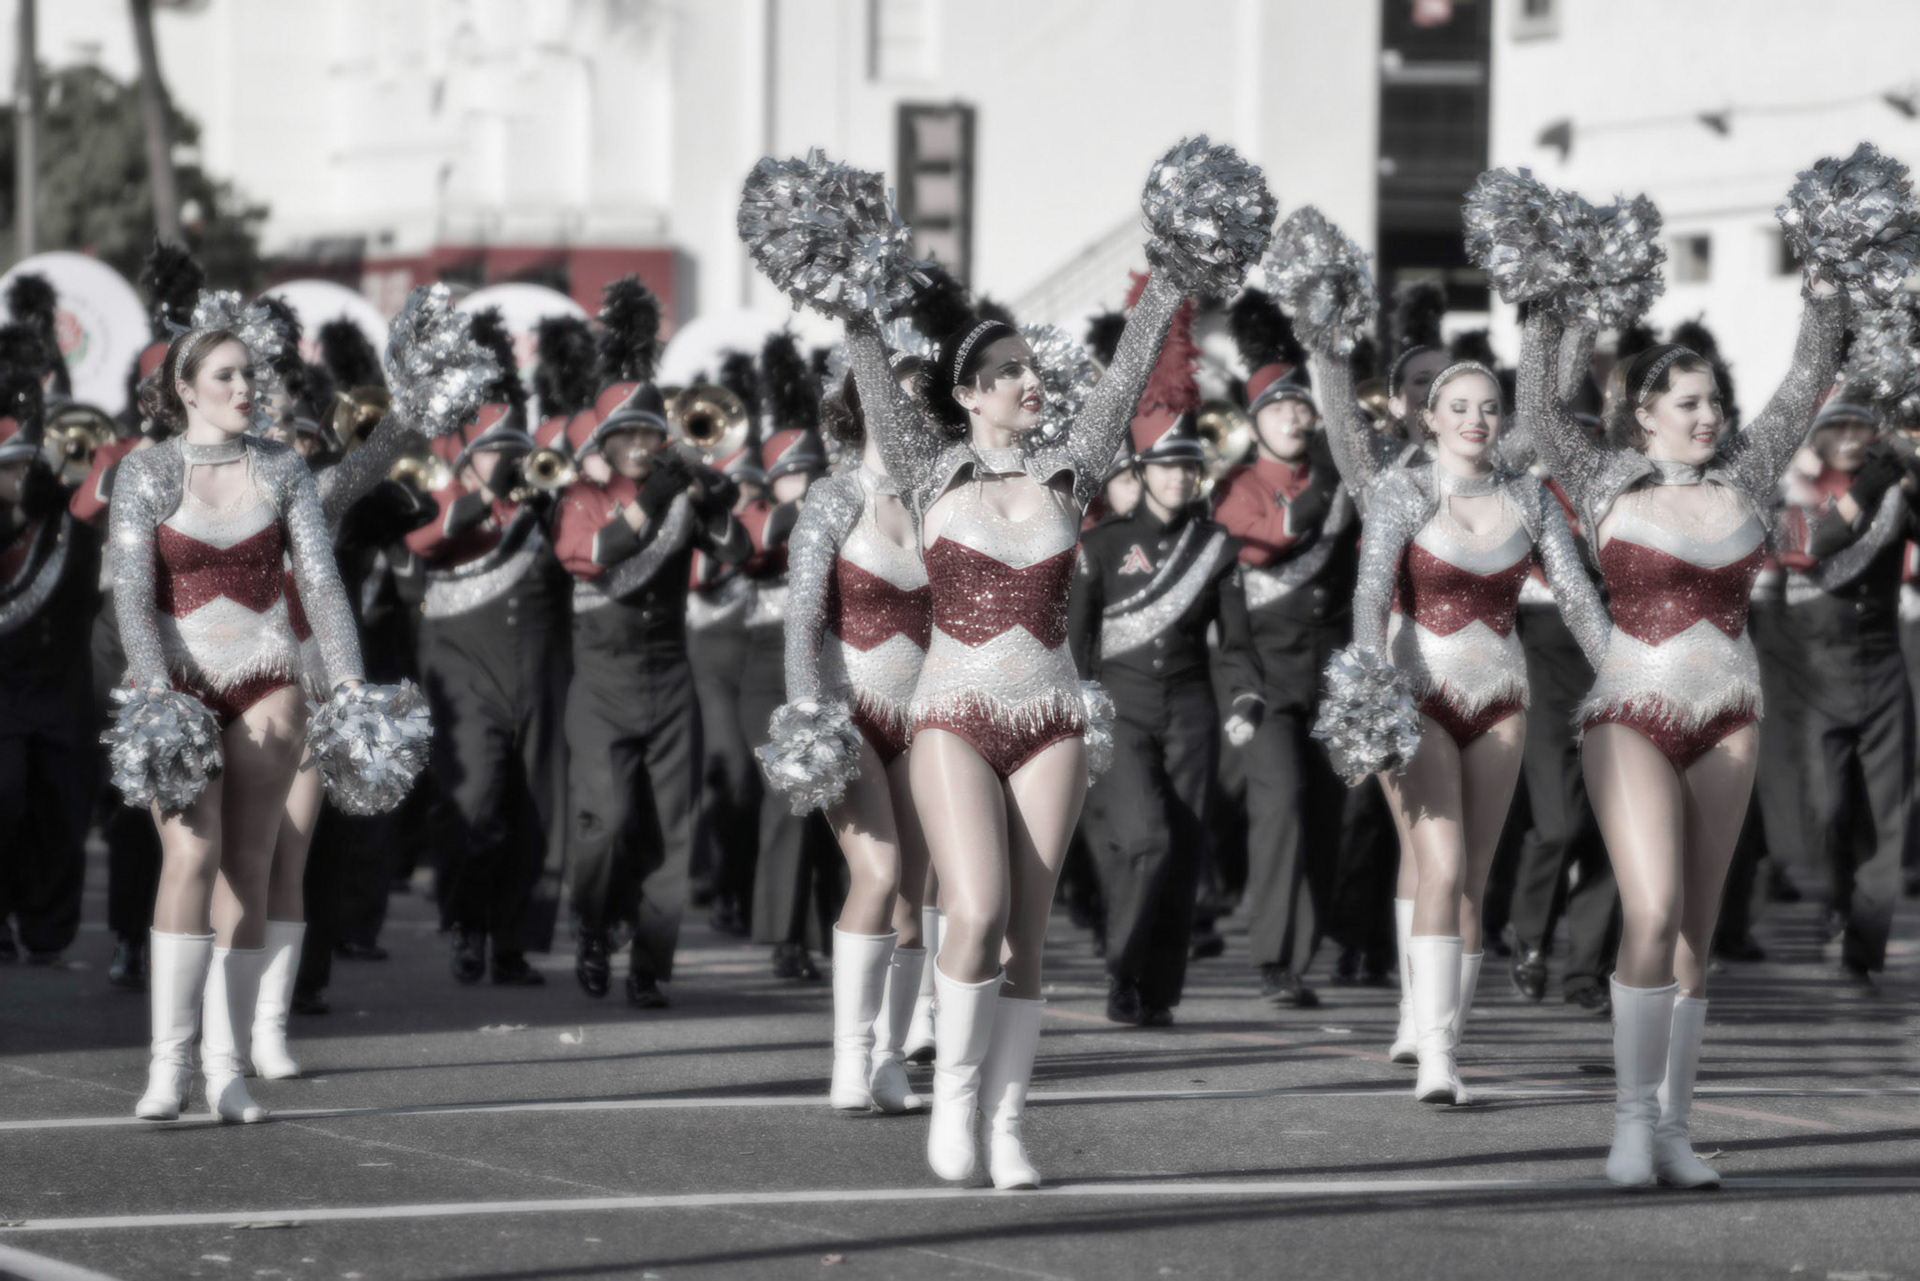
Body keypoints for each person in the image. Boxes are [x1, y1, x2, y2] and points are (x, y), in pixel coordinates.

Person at [814, 141, 1269, 1189]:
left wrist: (1176, 268)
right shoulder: (929, 472)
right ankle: (956, 1104)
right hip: (951, 715)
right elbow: (874, 362)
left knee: (1027, 931)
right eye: (1009, 371)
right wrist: (845, 286)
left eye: (1031, 369)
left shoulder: (1074, 465)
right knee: (967, 908)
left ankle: (1007, 1126)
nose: (1030, 381)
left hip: (1053, 717)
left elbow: (1132, 356)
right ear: (969, 393)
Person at [1520, 214, 1848, 1185]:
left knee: (1699, 933)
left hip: (1731, 713)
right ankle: (1628, 1125)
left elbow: (1804, 381)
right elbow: (1539, 408)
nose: (1710, 417)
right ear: (1647, 410)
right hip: (1631, 708)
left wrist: (1830, 281)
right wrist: (1544, 299)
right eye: (1691, 402)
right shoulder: (1604, 476)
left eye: (1714, 402)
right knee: (1651, 908)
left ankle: (1674, 1127)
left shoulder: (1747, 476)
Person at [111, 306, 369, 1123]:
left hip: (267, 677)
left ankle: (226, 1070)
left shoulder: (283, 466)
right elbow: (128, 592)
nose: (244, 387)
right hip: (177, 688)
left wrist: (353, 684)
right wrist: (155, 689)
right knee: (190, 854)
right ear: (184, 390)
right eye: (225, 375)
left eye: (250, 373)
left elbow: (321, 583)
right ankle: (168, 1065)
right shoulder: (145, 471)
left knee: (249, 863)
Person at [766, 358, 936, 1112]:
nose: (909, 413)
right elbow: (802, 616)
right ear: (859, 406)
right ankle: (850, 1055)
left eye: (919, 402)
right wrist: (808, 715)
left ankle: (891, 1059)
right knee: (877, 871)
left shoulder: (942, 503)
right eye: (894, 399)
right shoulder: (833, 497)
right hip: (849, 711)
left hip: (927, 717)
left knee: (914, 894)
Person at [554, 354, 749, 1009]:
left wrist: (714, 496)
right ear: (603, 442)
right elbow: (599, 553)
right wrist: (663, 497)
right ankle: (589, 924)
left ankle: (647, 963)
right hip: (601, 685)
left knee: (670, 832)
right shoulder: (580, 496)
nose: (639, 445)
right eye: (625, 434)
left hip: (670, 680)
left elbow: (739, 552)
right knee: (604, 822)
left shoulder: (680, 488)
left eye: (648, 433)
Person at [1070, 405, 1261, 1026]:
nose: (1179, 477)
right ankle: (1123, 972)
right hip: (1120, 711)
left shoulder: (1215, 548)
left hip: (1190, 711)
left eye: (1189, 468)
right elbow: (1077, 644)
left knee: (1181, 850)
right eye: (1167, 466)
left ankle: (1158, 989)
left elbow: (1234, 644)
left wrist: (1244, 701)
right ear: (1144, 471)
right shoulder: (1102, 546)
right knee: (1145, 837)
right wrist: (1074, 711)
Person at [406, 396, 570, 989]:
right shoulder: (445, 498)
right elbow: (423, 541)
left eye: (517, 449)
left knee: (533, 808)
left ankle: (513, 943)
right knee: (473, 801)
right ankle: (466, 926)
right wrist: (486, 498)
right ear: (471, 457)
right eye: (499, 449)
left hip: (539, 673)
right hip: (465, 673)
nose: (512, 459)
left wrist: (551, 503)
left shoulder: (543, 503)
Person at [1209, 366, 1348, 1009]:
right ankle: (1272, 957)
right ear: (1256, 419)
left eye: (1302, 407)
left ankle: (1302, 955)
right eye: (1280, 408)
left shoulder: (1339, 479)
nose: (1294, 418)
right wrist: (1323, 490)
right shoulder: (1238, 486)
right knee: (1281, 802)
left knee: (1324, 814)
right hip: (1262, 673)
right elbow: (1262, 546)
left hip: (1330, 670)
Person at [1777, 391, 1916, 986]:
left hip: (1883, 666)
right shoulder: (1791, 497)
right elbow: (1815, 547)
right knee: (1831, 807)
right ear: (1817, 435)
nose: (1852, 436)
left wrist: (1911, 465)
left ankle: (1865, 945)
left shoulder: (1895, 494)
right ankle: (1839, 898)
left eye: (1864, 426)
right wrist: (1868, 490)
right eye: (1839, 425)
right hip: (1816, 672)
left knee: (1888, 819)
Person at [0, 344, 99, 967]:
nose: (21, 475)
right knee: (4, 801)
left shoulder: (71, 514)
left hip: (63, 685)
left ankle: (48, 929)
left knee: (63, 808)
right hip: (3, 689)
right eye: (10, 465)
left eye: (27, 465)